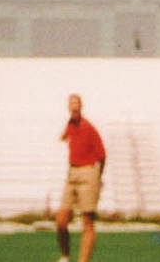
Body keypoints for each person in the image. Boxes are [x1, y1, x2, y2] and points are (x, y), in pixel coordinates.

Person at [55, 94, 106, 262]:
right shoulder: (70, 124)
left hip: (88, 172)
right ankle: (65, 256)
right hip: (72, 172)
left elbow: (102, 155)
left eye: (77, 104)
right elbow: (65, 137)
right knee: (61, 219)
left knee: (87, 221)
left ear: (81, 106)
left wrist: (97, 177)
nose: (74, 107)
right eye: (71, 104)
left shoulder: (89, 128)